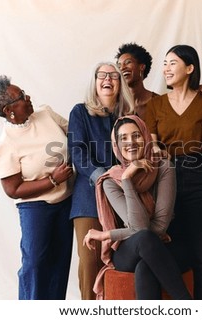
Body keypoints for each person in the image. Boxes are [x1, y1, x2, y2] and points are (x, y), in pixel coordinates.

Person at [0, 75, 74, 300]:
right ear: (8, 110)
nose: (28, 97)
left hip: (67, 202)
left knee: (60, 263)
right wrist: (52, 180)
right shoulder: (5, 144)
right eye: (22, 96)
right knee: (35, 265)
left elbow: (76, 134)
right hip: (36, 209)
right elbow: (13, 189)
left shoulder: (46, 114)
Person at [83, 115, 192, 300]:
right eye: (123, 138)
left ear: (146, 137)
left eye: (136, 135)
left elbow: (158, 227)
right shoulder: (111, 180)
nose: (131, 142)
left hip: (165, 243)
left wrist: (107, 235)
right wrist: (126, 179)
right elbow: (141, 228)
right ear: (116, 145)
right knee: (144, 238)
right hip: (128, 250)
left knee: (145, 267)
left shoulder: (164, 167)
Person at [145, 44, 202, 300]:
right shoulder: (155, 105)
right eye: (165, 63)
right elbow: (152, 146)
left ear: (190, 68)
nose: (166, 69)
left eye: (173, 63)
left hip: (198, 176)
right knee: (171, 245)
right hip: (166, 176)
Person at [68, 62, 134, 299]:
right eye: (102, 75)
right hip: (88, 199)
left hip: (124, 197)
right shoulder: (80, 112)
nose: (108, 79)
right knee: (90, 263)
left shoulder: (128, 116)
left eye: (114, 76)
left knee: (119, 262)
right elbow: (76, 151)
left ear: (120, 83)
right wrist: (102, 178)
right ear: (95, 81)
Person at [115, 43, 159, 119]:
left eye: (128, 62)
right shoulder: (115, 104)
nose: (122, 68)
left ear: (142, 67)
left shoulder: (159, 102)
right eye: (119, 66)